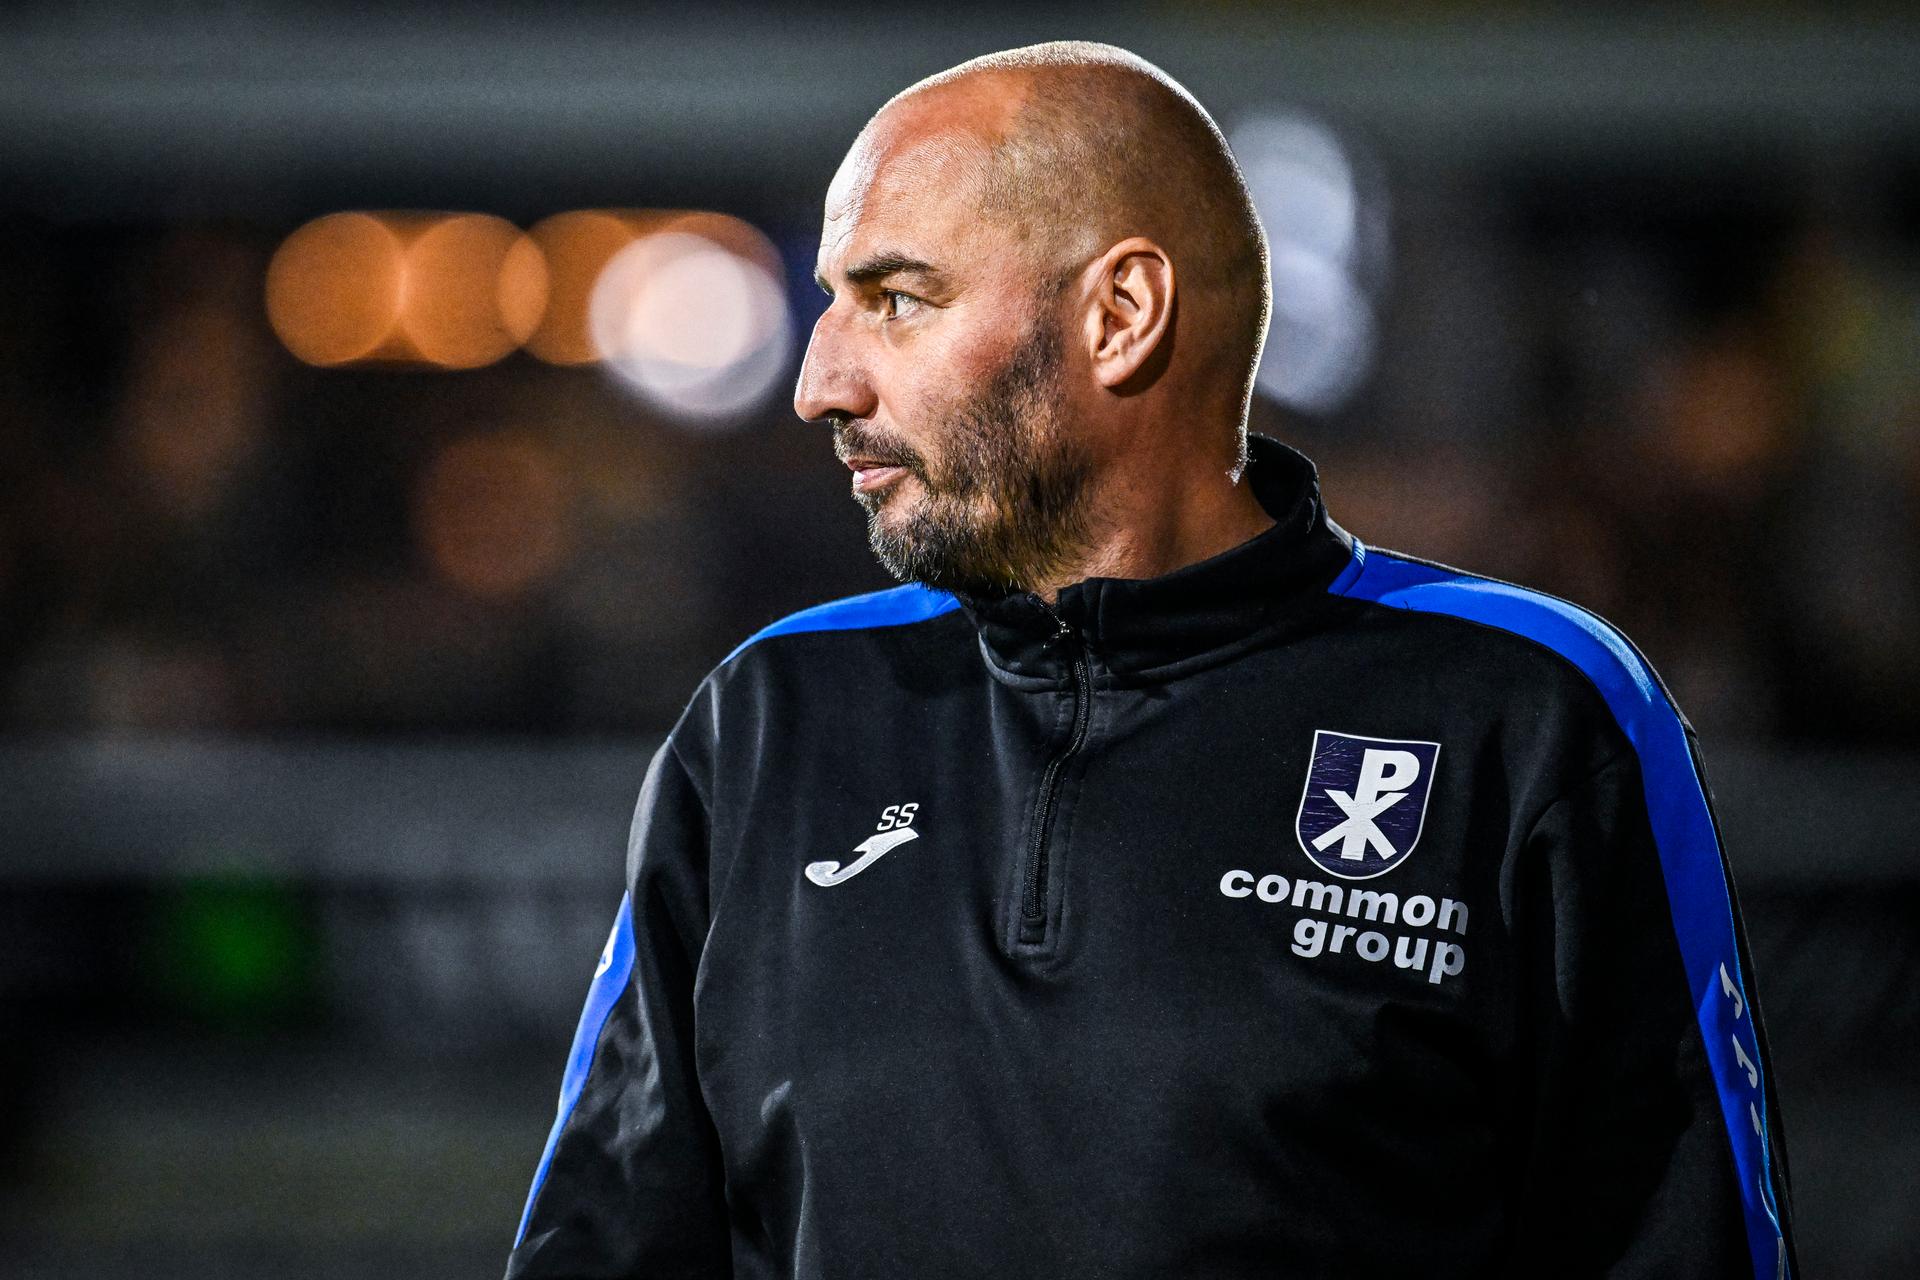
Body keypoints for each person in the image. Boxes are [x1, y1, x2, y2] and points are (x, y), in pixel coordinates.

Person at [505, 41, 1795, 1279]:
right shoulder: (771, 717)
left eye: (897, 301)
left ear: (1120, 316)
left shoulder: (1532, 712)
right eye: (834, 302)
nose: (820, 382)